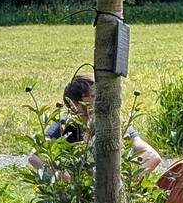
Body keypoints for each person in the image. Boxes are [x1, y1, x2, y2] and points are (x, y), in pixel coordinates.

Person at [30, 72, 163, 172]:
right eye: (92, 97)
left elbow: (152, 156)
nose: (97, 102)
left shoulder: (114, 125)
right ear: (74, 104)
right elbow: (34, 157)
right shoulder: (64, 126)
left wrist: (128, 184)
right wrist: (61, 176)